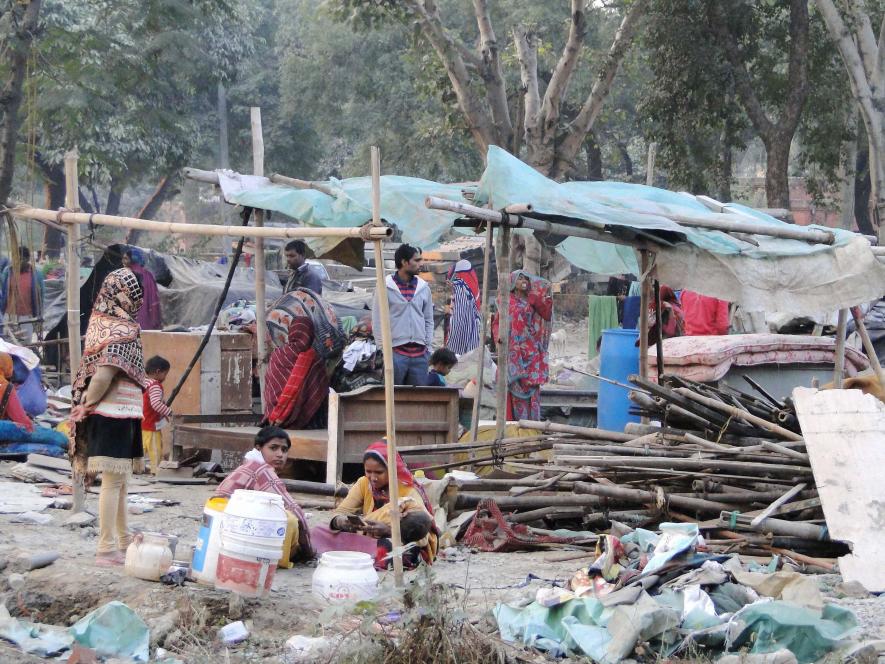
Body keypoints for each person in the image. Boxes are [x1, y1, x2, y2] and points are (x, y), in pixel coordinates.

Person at [69, 269, 147, 566]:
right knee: (114, 483)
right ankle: (106, 548)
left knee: (120, 481)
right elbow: (103, 375)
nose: (136, 299)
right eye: (132, 294)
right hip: (112, 413)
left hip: (121, 413)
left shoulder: (101, 324)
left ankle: (124, 540)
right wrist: (88, 405)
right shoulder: (120, 329)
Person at [330, 441, 437, 569]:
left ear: (392, 469)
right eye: (368, 471)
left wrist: (388, 530)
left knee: (389, 549)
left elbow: (421, 532)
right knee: (322, 531)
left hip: (402, 541)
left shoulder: (408, 491)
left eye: (379, 472)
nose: (373, 477)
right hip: (368, 536)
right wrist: (342, 522)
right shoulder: (364, 483)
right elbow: (340, 511)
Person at [215, 426, 313, 565]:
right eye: (274, 448)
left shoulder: (249, 464)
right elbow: (295, 512)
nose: (280, 454)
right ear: (259, 448)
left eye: (284, 450)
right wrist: (310, 552)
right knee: (290, 519)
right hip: (232, 533)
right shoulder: (261, 470)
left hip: (220, 534)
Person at [492, 270, 553, 421]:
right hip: (513, 349)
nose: (524, 280)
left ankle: (532, 422)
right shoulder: (505, 300)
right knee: (513, 386)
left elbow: (546, 314)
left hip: (530, 349)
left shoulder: (532, 298)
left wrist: (542, 294)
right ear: (513, 282)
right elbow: (497, 323)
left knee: (531, 385)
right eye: (520, 278)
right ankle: (513, 422)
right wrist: (499, 337)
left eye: (525, 278)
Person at [372, 244, 434, 386]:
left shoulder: (424, 288)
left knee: (417, 400)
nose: (421, 264)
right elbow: (377, 320)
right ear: (404, 262)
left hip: (420, 354)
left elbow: (428, 319)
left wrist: (428, 347)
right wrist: (384, 350)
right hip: (395, 353)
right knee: (394, 398)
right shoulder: (385, 287)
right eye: (417, 260)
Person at [262, 316, 329, 429]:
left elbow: (270, 386)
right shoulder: (314, 358)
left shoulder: (277, 354)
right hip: (306, 421)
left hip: (273, 416)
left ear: (291, 331)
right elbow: (319, 392)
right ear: (311, 333)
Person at [0, 246, 45, 342]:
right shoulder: (8, 272)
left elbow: (41, 296)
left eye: (21, 259)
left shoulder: (36, 274)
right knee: (8, 345)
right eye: (16, 259)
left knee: (26, 345)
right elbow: (3, 293)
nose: (18, 262)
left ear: (27, 259)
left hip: (27, 318)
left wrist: (40, 316)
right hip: (9, 315)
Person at [142, 355, 172, 474]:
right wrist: (169, 412)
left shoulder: (144, 382)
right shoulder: (155, 386)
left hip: (141, 422)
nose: (165, 377)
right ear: (158, 372)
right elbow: (155, 404)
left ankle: (135, 468)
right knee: (155, 449)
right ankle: (156, 470)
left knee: (140, 449)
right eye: (165, 374)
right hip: (151, 425)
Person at [444, 259, 481, 355]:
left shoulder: (460, 284)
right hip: (471, 321)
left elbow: (459, 311)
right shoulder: (472, 282)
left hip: (459, 321)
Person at [122, 248, 162, 330]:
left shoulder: (123, 275)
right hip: (145, 321)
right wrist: (155, 320)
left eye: (126, 258)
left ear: (132, 259)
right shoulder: (148, 275)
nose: (123, 261)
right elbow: (154, 300)